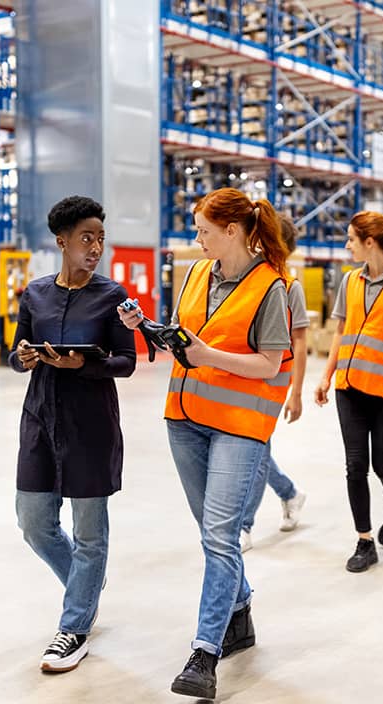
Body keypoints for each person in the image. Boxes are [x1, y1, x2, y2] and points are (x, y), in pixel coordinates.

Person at [118, 187, 290, 700]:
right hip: (185, 418)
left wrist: (209, 354)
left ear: (233, 232)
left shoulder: (271, 288)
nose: (197, 239)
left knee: (219, 537)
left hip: (239, 425)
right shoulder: (195, 273)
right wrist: (147, 329)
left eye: (204, 231)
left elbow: (270, 363)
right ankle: (240, 616)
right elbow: (184, 340)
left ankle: (204, 652)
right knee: (211, 531)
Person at [8, 196, 136, 673]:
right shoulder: (35, 293)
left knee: (89, 534)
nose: (95, 247)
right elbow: (15, 350)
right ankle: (86, 583)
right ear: (62, 242)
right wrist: (21, 357)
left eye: (100, 238)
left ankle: (74, 628)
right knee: (33, 519)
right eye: (86, 238)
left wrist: (87, 362)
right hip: (41, 417)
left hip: (90, 423)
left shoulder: (113, 295)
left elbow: (127, 361)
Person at [314, 212, 383, 574]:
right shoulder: (349, 282)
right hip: (349, 388)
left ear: (369, 243)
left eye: (350, 239)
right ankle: (365, 541)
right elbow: (340, 331)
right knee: (355, 465)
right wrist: (326, 374)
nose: (346, 245)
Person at [240, 214, 308, 551]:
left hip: (275, 380)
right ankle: (290, 493)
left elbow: (300, 341)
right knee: (256, 448)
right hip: (248, 376)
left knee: (255, 447)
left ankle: (243, 525)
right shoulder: (250, 280)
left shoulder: (290, 287)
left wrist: (296, 392)